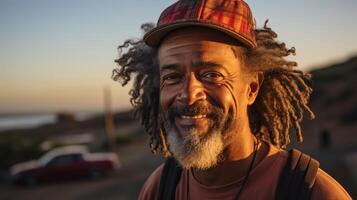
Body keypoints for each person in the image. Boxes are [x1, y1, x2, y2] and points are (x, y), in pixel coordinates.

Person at [113, 0, 352, 199]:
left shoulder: (311, 192)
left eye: (211, 75)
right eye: (172, 77)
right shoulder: (161, 187)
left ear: (252, 88)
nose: (187, 95)